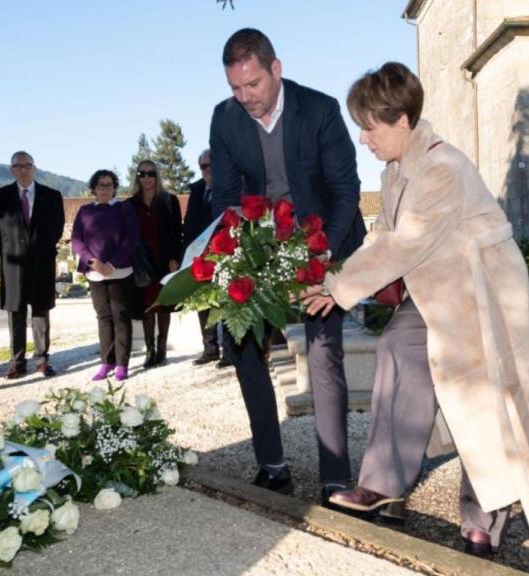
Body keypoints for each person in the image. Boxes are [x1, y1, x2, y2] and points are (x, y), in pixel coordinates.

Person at [302, 62, 529, 560]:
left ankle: (482, 520)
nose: (363, 138)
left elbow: (405, 243)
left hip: (482, 295)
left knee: (480, 401)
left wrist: (340, 288)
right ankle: (382, 483)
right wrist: (334, 277)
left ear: (401, 121)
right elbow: (384, 237)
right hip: (437, 291)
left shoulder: (443, 166)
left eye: (370, 126)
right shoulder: (396, 169)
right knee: (397, 345)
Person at [209, 28, 366, 499]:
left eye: (252, 85)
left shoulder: (319, 110)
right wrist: (251, 250)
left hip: (325, 238)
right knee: (241, 346)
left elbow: (345, 191)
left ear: (275, 69)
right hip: (264, 245)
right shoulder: (225, 119)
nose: (245, 97)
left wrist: (321, 252)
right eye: (235, 88)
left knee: (323, 352)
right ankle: (273, 465)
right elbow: (225, 196)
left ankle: (335, 477)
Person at [0, 151, 64, 379]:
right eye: (18, 166)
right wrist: (6, 250)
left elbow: (57, 227)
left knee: (41, 312)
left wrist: (43, 246)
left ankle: (41, 359)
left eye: (27, 165)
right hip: (13, 263)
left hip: (42, 261)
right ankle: (17, 362)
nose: (23, 169)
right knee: (16, 313)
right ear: (11, 169)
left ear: (34, 168)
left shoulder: (52, 195)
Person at [71, 170, 139, 381]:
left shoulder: (124, 208)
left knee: (121, 317)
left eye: (109, 185)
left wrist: (111, 264)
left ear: (114, 187)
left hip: (120, 271)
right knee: (104, 318)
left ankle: (121, 364)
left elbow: (132, 238)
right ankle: (105, 363)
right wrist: (94, 263)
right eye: (101, 185)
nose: (105, 189)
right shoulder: (84, 211)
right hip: (95, 273)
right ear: (94, 188)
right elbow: (76, 241)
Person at [128, 160, 182, 369]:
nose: (147, 177)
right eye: (142, 173)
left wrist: (175, 258)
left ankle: (161, 349)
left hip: (165, 260)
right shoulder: (130, 204)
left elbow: (178, 232)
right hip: (143, 263)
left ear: (157, 175)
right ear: (137, 177)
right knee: (147, 307)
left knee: (164, 305)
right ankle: (149, 350)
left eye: (151, 173)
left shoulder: (170, 201)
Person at [182, 149, 230, 368]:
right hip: (200, 256)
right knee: (203, 303)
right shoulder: (197, 190)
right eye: (203, 166)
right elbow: (189, 224)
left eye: (211, 165)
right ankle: (210, 349)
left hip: (225, 253)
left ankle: (230, 352)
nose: (208, 170)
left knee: (227, 302)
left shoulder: (229, 187)